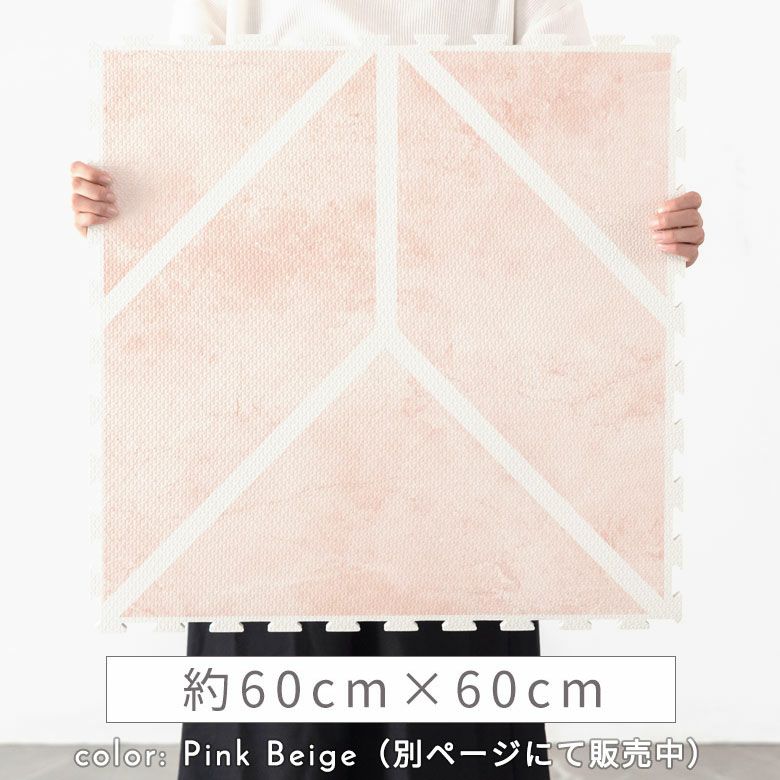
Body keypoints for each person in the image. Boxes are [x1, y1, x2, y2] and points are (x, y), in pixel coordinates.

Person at [71, 2, 704, 777]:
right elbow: (179, 149)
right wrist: (118, 201)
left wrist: (646, 229)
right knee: (277, 732)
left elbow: (578, 149)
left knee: (452, 731)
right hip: (274, 436)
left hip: (457, 437)